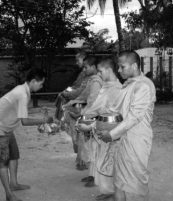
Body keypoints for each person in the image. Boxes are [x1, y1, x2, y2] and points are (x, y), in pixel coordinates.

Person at [0, 68, 53, 201]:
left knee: (14, 155)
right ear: (33, 81)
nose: (42, 86)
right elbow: (25, 121)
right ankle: (9, 195)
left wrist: (38, 112)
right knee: (3, 162)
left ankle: (14, 184)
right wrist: (45, 120)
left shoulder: (24, 90)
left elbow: (22, 112)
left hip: (6, 125)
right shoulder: (22, 93)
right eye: (41, 84)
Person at [97, 51, 156, 201]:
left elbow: (133, 118)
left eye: (122, 67)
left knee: (135, 185)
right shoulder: (128, 85)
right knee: (119, 182)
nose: (119, 70)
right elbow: (114, 110)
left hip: (136, 141)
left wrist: (111, 135)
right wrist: (94, 124)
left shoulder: (143, 86)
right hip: (122, 139)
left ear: (134, 66)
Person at [76, 57, 122, 200]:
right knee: (101, 160)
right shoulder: (107, 86)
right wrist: (85, 116)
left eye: (101, 71)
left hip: (111, 132)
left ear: (109, 70)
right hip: (101, 128)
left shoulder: (116, 89)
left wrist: (89, 125)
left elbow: (110, 114)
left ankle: (113, 192)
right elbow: (97, 107)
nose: (99, 74)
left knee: (109, 163)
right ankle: (108, 190)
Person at [64, 55, 103, 181]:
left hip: (93, 116)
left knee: (92, 146)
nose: (84, 69)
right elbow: (83, 96)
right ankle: (91, 174)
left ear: (93, 67)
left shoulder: (96, 81)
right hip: (89, 113)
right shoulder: (91, 80)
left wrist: (81, 113)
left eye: (86, 67)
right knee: (89, 146)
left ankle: (95, 176)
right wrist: (73, 102)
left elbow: (92, 102)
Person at [55, 51, 87, 120]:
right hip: (77, 92)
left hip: (81, 97)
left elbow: (80, 90)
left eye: (78, 60)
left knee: (62, 96)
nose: (76, 63)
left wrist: (66, 93)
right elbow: (75, 85)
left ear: (84, 59)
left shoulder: (87, 73)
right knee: (61, 95)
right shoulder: (82, 72)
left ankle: (61, 119)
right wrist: (67, 90)